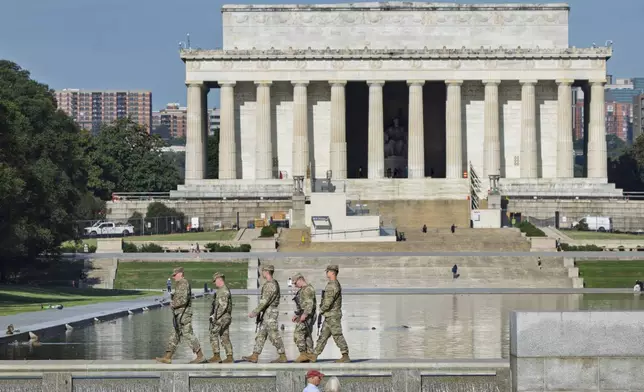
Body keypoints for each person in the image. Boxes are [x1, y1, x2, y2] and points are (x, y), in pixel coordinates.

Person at [155, 267, 204, 364]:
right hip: (179, 314)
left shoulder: (183, 283)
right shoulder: (180, 284)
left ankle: (200, 355)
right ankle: (168, 357)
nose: (173, 277)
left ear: (180, 273)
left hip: (184, 314)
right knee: (175, 334)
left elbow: (183, 300)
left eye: (175, 275)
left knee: (187, 334)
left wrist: (173, 304)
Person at [242, 264, 287, 363]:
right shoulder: (271, 283)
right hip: (267, 312)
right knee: (261, 335)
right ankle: (255, 355)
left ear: (266, 272)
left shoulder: (270, 284)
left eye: (263, 271)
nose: (262, 273)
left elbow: (265, 301)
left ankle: (283, 356)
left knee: (274, 335)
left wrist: (255, 312)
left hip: (270, 313)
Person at [308, 265, 350, 363]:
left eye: (327, 271)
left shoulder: (333, 285)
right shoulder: (332, 284)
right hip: (329, 315)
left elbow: (328, 301)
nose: (326, 273)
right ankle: (314, 355)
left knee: (337, 335)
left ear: (332, 272)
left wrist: (321, 309)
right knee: (323, 335)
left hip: (333, 315)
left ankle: (345, 355)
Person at [208, 272, 234, 363]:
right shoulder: (221, 290)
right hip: (225, 317)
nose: (214, 283)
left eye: (215, 281)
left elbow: (222, 306)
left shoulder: (223, 291)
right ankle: (229, 357)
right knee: (224, 336)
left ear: (219, 279)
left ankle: (216, 355)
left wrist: (214, 317)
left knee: (213, 334)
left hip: (222, 317)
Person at [292, 273, 316, 363]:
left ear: (300, 279)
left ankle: (303, 354)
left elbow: (309, 304)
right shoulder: (303, 290)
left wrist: (305, 314)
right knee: (306, 335)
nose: (295, 285)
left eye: (295, 283)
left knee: (298, 334)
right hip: (304, 315)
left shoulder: (308, 289)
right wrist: (297, 315)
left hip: (307, 316)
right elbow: (302, 305)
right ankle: (310, 354)